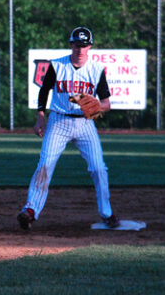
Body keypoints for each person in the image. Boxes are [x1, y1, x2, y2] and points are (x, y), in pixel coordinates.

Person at [18, 26, 120, 230]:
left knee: (99, 168)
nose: (80, 49)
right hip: (59, 121)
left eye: (84, 45)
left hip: (85, 124)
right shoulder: (57, 66)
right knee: (45, 164)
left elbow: (107, 103)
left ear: (89, 46)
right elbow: (44, 91)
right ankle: (30, 211)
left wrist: (98, 106)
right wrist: (40, 117)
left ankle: (107, 214)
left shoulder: (96, 70)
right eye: (76, 45)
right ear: (70, 44)